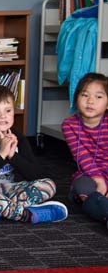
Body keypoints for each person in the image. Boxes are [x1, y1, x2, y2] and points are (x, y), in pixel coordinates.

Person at [0, 85, 68, 227]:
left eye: (8, 110)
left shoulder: (18, 138)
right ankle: (25, 215)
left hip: (10, 190)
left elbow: (37, 175)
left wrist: (13, 156)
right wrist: (2, 154)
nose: (3, 116)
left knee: (49, 185)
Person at [62, 72, 108, 225]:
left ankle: (98, 206)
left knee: (91, 197)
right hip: (89, 174)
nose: (90, 101)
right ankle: (100, 207)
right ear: (76, 99)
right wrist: (100, 181)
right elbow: (82, 158)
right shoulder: (69, 125)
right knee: (83, 186)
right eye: (85, 95)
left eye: (99, 97)